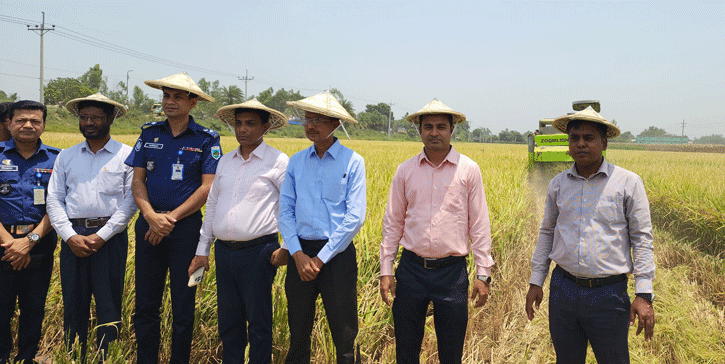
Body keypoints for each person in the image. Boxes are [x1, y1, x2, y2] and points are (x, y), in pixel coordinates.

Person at [525, 107, 655, 363]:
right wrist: (536, 280)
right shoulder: (558, 185)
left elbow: (642, 239)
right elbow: (547, 232)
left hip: (608, 293)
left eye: (589, 137)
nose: (581, 144)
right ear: (568, 143)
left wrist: (643, 294)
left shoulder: (628, 183)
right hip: (563, 290)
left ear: (604, 143)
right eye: (575, 138)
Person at [379, 99, 494, 364]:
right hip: (410, 270)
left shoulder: (469, 170)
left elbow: (479, 225)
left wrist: (483, 273)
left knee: (451, 353)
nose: (434, 132)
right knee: (406, 351)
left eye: (441, 126)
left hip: (452, 273)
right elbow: (392, 223)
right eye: (428, 127)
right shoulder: (405, 170)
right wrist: (386, 270)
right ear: (419, 131)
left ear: (452, 130)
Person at [124, 73, 221, 364]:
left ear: (192, 103)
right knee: (146, 305)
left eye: (178, 97)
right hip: (148, 226)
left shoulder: (207, 139)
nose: (170, 102)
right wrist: (151, 215)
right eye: (166, 96)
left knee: (183, 305)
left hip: (186, 230)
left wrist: (170, 220)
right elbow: (137, 181)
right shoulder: (149, 133)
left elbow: (208, 187)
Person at [187, 99, 289, 364]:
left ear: (266, 127)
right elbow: (212, 205)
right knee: (229, 322)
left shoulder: (277, 161)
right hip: (224, 252)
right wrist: (202, 251)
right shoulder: (226, 161)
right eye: (238, 123)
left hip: (259, 251)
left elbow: (292, 207)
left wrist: (287, 247)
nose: (242, 129)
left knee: (258, 323)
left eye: (250, 124)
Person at [272, 91, 366, 364]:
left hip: (336, 256)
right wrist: (299, 255)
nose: (310, 125)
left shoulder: (353, 162)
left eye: (318, 120)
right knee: (298, 329)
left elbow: (355, 217)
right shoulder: (296, 162)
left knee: (345, 333)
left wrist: (320, 259)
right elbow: (285, 211)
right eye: (307, 119)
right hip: (300, 254)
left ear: (336, 123)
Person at [46, 93, 137, 360]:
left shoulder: (127, 156)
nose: (89, 122)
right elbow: (54, 199)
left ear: (111, 119)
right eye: (84, 117)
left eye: (95, 117)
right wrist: (70, 236)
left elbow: (131, 202)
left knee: (109, 307)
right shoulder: (66, 156)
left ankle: (106, 358)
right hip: (72, 238)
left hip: (110, 240)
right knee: (74, 304)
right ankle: (73, 356)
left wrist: (102, 235)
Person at [0, 100, 60, 364]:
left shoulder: (58, 159)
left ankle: (26, 358)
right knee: (1, 310)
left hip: (40, 246)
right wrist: (11, 244)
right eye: (21, 120)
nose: (28, 125)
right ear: (9, 123)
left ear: (44, 125)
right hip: (3, 247)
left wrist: (30, 241)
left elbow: (59, 205)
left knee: (33, 309)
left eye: (35, 121)